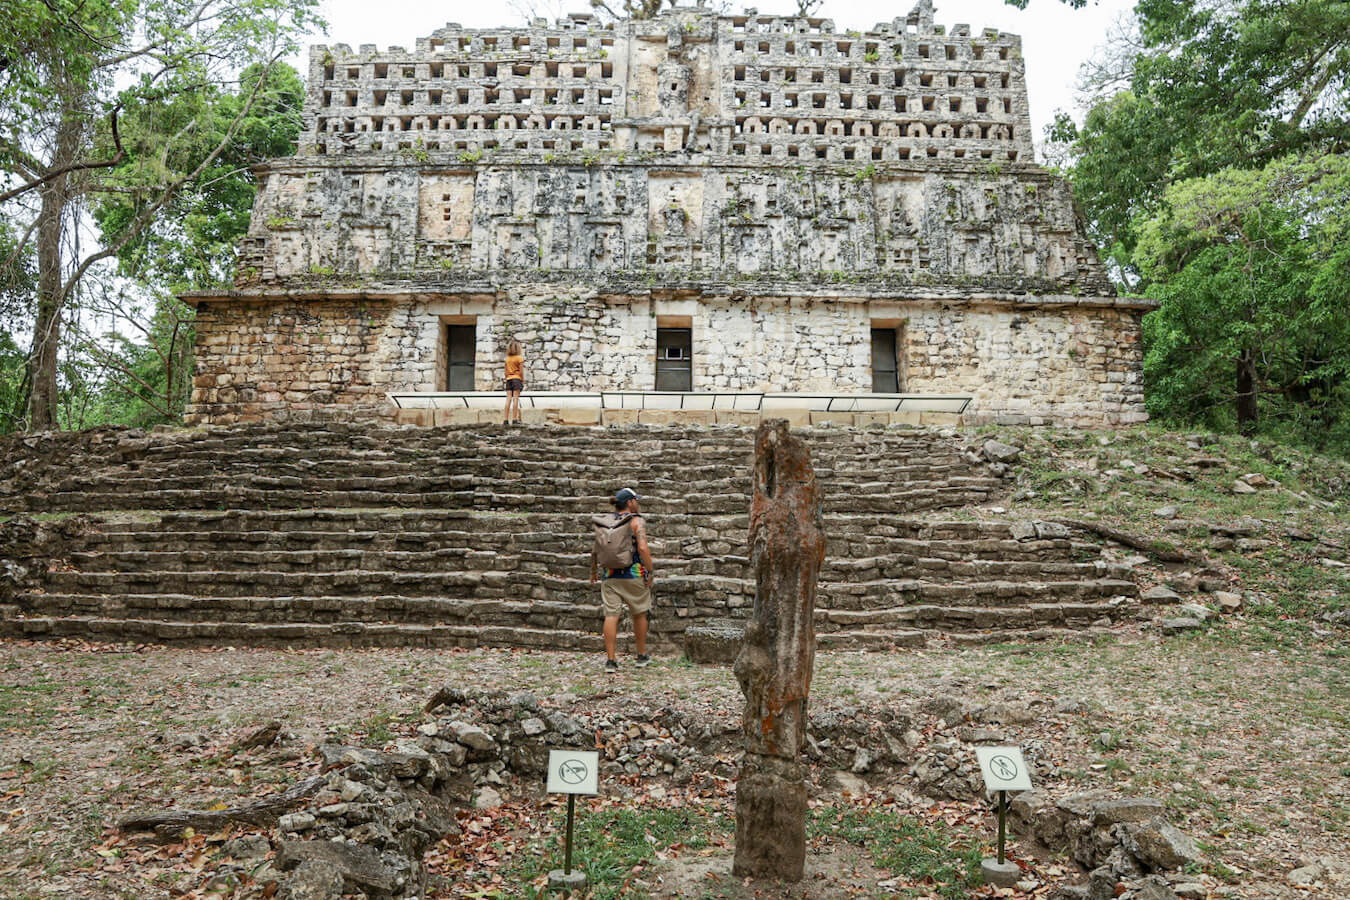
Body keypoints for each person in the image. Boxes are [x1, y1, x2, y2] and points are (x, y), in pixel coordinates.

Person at [590, 487, 654, 673]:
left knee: (611, 615)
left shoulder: (605, 522)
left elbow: (596, 548)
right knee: (639, 613)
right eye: (636, 500)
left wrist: (593, 571)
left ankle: (611, 661)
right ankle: (641, 655)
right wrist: (650, 570)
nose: (638, 503)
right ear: (629, 502)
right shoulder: (636, 521)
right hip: (633, 574)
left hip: (610, 575)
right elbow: (642, 547)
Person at [502, 339, 525, 425]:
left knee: (508, 399)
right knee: (515, 398)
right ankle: (514, 419)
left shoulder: (507, 359)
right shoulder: (519, 358)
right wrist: (522, 380)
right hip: (517, 379)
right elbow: (521, 371)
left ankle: (505, 419)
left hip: (508, 379)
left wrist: (508, 377)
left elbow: (505, 372)